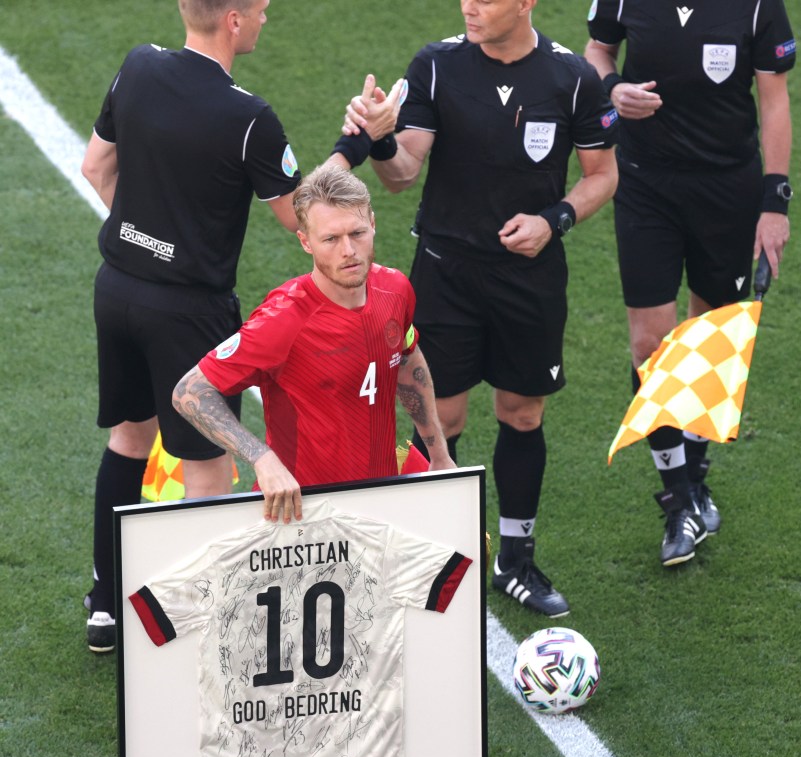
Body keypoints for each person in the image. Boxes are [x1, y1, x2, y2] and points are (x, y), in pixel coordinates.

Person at [172, 164, 455, 757]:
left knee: (356, 669)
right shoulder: (283, 317)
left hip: (374, 517)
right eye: (330, 238)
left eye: (358, 233)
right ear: (303, 239)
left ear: (373, 227)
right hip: (293, 536)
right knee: (271, 710)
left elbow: (405, 363)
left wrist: (437, 455)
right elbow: (192, 391)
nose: (349, 250)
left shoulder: (395, 289)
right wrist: (259, 453)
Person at [80, 0, 396, 653]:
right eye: (260, 10)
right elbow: (301, 215)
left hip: (116, 290)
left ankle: (106, 606)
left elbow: (95, 168)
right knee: (207, 469)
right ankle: (205, 630)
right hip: (188, 310)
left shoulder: (136, 66)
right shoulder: (249, 119)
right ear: (233, 19)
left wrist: (147, 241)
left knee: (128, 439)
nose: (264, 20)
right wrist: (354, 143)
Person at [342, 0, 618, 618]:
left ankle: (514, 559)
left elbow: (601, 175)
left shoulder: (573, 79)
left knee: (522, 414)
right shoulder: (437, 66)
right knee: (439, 416)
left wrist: (556, 219)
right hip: (447, 275)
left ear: (525, 4)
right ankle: (427, 556)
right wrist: (383, 137)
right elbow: (402, 173)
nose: (470, 5)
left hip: (531, 279)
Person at [584, 1, 795, 565]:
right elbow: (599, 50)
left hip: (727, 189)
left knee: (711, 336)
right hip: (645, 185)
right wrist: (612, 87)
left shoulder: (755, 6)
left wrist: (775, 201)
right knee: (651, 343)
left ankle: (696, 475)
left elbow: (774, 101)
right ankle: (677, 497)